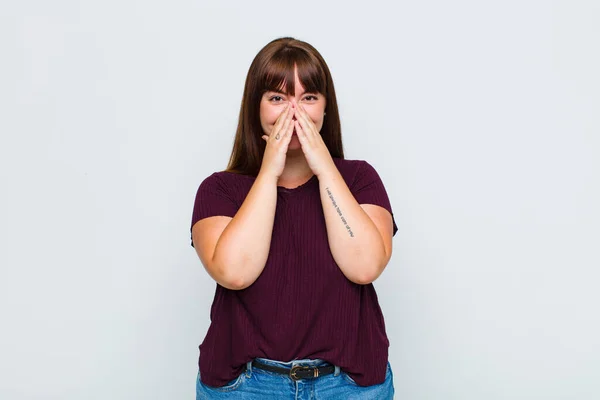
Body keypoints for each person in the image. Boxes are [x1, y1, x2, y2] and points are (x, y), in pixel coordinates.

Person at [190, 37, 398, 399]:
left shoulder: (360, 179)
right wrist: (270, 172)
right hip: (246, 388)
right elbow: (235, 272)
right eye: (277, 98)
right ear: (255, 108)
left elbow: (364, 266)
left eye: (308, 98)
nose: (294, 112)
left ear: (325, 109)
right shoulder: (219, 190)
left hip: (348, 387)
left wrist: (324, 168)